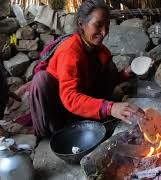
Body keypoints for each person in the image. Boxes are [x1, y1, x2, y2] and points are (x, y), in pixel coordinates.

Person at [30, 0, 145, 138]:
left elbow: (108, 80)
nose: (104, 32)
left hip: (82, 100)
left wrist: (127, 73)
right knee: (42, 80)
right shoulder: (70, 51)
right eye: (98, 25)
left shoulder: (101, 51)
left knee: (107, 68)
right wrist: (110, 107)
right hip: (59, 106)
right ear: (81, 24)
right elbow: (70, 97)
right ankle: (57, 134)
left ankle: (85, 120)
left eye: (107, 25)